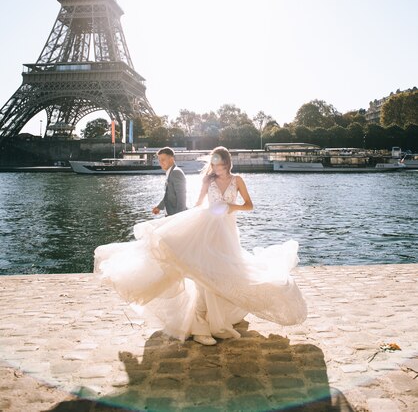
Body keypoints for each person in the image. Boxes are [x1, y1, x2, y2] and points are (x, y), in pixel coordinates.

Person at [94, 146, 307, 345]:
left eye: (220, 164)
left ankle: (216, 320)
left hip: (228, 231)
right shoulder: (208, 180)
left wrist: (230, 206)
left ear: (227, 163)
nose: (216, 168)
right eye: (214, 164)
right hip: (207, 228)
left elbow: (249, 205)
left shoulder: (238, 180)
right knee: (204, 273)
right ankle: (201, 325)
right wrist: (179, 222)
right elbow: (198, 204)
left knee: (225, 273)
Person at [152, 147, 187, 216]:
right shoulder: (170, 172)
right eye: (159, 160)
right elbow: (168, 195)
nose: (160, 163)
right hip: (170, 216)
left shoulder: (176, 172)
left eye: (163, 160)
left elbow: (182, 197)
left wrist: (179, 217)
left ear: (171, 159)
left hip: (175, 218)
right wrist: (159, 207)